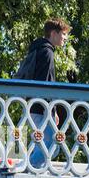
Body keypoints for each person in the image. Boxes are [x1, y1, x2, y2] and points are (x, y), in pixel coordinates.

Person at [24, 18, 71, 167]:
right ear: (53, 33)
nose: (65, 38)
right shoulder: (47, 52)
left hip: (33, 105)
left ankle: (30, 171)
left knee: (41, 145)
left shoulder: (38, 49)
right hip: (42, 108)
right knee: (52, 146)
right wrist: (51, 110)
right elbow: (45, 83)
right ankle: (26, 169)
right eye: (63, 34)